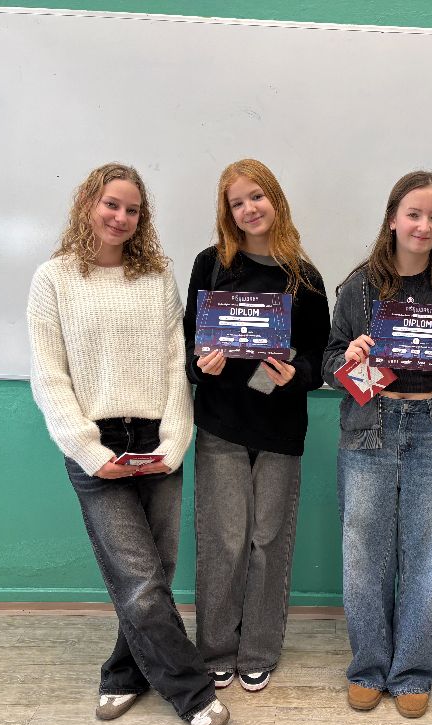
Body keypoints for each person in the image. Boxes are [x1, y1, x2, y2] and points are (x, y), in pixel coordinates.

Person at [27, 163, 228, 725]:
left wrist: (174, 442)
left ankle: (123, 673)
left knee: (151, 577)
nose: (120, 217)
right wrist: (90, 452)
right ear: (88, 204)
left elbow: (173, 364)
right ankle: (192, 692)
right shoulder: (54, 278)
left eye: (132, 209)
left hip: (156, 441)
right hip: (96, 445)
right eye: (111, 204)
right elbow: (49, 375)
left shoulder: (157, 277)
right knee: (139, 583)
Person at [322, 171, 432, 719]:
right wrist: (347, 359)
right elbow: (329, 362)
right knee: (363, 555)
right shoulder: (361, 285)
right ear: (393, 218)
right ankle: (368, 667)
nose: (424, 226)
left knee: (429, 556)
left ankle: (413, 671)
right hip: (371, 425)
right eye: (414, 214)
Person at [183, 159, 330, 693]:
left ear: (276, 199)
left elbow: (318, 360)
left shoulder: (304, 278)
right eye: (237, 202)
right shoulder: (211, 266)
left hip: (280, 428)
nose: (249, 209)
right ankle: (216, 647)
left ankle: (260, 649)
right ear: (227, 213)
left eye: (256, 197)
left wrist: (295, 375)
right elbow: (188, 347)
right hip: (222, 424)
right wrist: (201, 364)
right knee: (223, 541)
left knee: (269, 541)